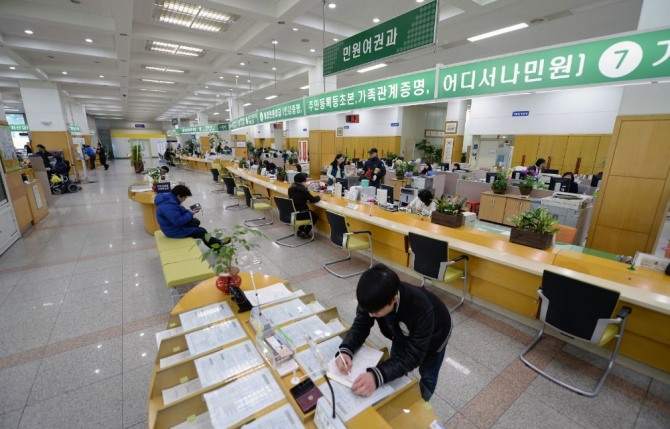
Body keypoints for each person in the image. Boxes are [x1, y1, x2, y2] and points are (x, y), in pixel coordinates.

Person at [335, 263, 452, 401]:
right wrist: (346, 349)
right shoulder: (371, 298)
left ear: (394, 300)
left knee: (428, 372)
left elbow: (413, 356)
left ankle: (422, 399)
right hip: (400, 332)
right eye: (368, 311)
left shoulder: (421, 308)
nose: (371, 315)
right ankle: (398, 389)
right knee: (396, 361)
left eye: (376, 312)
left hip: (435, 334)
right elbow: (361, 324)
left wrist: (375, 376)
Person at [155, 185, 227, 249]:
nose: (185, 199)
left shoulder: (169, 198)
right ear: (179, 196)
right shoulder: (168, 206)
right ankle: (217, 247)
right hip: (173, 231)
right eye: (184, 197)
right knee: (202, 231)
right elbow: (178, 222)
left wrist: (188, 211)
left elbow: (177, 210)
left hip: (172, 225)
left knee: (196, 222)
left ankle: (217, 243)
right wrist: (190, 213)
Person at [288, 173, 320, 239]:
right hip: (302, 213)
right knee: (314, 216)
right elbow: (313, 200)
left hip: (294, 213)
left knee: (304, 212)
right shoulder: (303, 190)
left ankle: (300, 230)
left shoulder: (290, 189)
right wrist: (319, 197)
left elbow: (297, 197)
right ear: (303, 181)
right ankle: (305, 232)